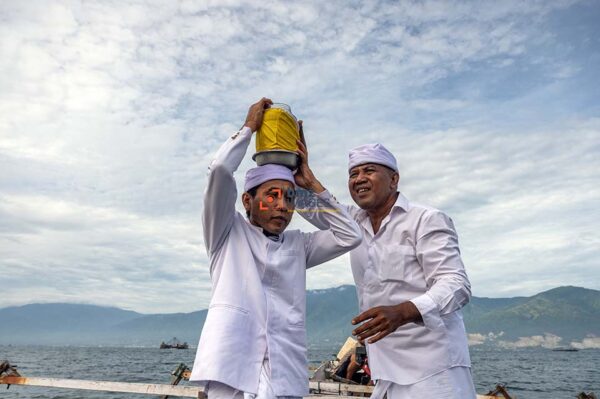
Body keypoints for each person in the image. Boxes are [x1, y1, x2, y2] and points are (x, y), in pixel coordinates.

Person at [189, 98, 362, 399]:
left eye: (289, 199)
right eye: (271, 196)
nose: (282, 206)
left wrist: (309, 186)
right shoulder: (226, 233)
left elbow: (350, 235)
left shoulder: (298, 244)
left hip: (284, 379)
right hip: (230, 376)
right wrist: (248, 129)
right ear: (247, 200)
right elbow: (218, 171)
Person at [302, 143, 476, 399]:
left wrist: (404, 312)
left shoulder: (425, 219)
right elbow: (304, 203)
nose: (359, 178)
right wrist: (299, 170)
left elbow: (456, 284)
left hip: (434, 371)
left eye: (369, 170)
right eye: (353, 174)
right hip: (385, 371)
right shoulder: (351, 223)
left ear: (394, 179)